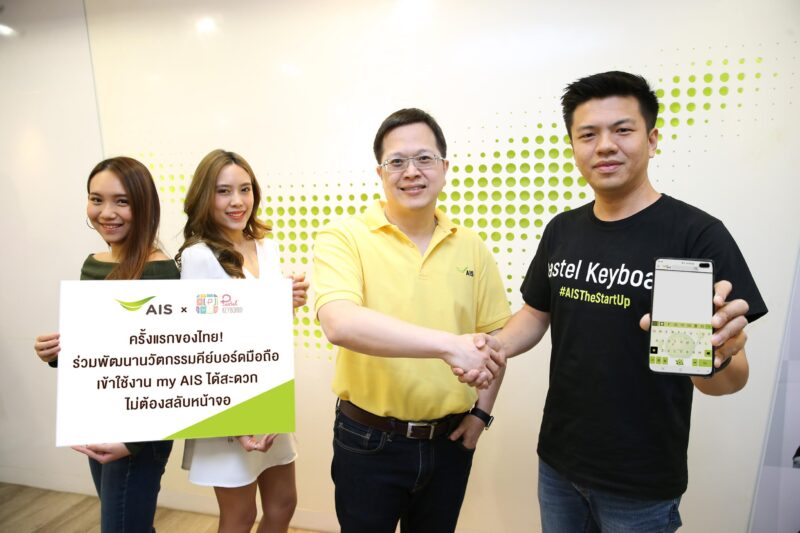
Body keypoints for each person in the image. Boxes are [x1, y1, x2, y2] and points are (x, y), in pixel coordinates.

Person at [482, 71, 768, 532]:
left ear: (652, 140)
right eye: (588, 135)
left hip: (641, 481)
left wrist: (718, 355)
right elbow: (535, 315)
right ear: (573, 147)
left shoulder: (697, 235)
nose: (605, 146)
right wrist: (488, 348)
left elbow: (729, 382)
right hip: (557, 462)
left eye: (622, 130)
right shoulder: (562, 230)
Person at [312, 108, 511, 533]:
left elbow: (495, 338)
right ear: (380, 173)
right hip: (368, 440)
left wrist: (481, 415)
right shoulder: (343, 236)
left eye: (424, 158)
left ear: (444, 167)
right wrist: (448, 345)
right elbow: (339, 323)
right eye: (397, 162)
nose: (411, 172)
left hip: (450, 442)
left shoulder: (471, 246)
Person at [33, 156, 177, 533]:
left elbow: (172, 370)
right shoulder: (93, 264)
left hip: (137, 432)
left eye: (121, 201)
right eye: (96, 199)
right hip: (98, 418)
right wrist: (57, 353)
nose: (106, 212)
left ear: (144, 207)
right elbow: (102, 351)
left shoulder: (160, 271)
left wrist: (133, 441)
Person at [177, 149, 308, 533]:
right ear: (205, 196)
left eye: (245, 189)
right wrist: (235, 424)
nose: (237, 201)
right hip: (227, 399)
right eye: (223, 191)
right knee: (240, 516)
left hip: (267, 391)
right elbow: (199, 340)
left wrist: (288, 303)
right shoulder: (199, 257)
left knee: (284, 503)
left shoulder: (266, 247)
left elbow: (266, 329)